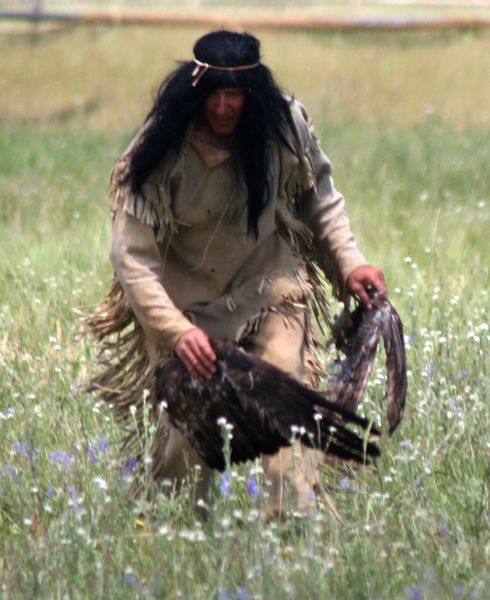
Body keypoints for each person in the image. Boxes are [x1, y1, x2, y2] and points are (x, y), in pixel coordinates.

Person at [87, 30, 387, 517]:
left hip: (272, 290)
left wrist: (351, 265)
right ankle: (178, 531)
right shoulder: (158, 149)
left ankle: (291, 530)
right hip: (191, 312)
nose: (224, 107)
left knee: (289, 403)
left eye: (236, 96)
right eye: (215, 95)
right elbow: (132, 260)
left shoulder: (284, 126)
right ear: (196, 90)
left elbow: (321, 201)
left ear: (253, 95)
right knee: (187, 433)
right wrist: (177, 332)